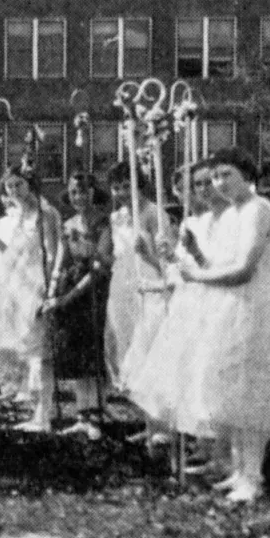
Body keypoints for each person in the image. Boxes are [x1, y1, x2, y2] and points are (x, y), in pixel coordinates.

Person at [173, 149, 270, 502]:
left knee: (252, 388)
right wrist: (196, 257)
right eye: (215, 177)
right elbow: (220, 262)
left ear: (247, 175)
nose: (219, 182)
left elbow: (243, 268)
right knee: (231, 386)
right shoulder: (231, 214)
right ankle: (238, 469)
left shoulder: (259, 209)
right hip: (229, 303)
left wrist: (197, 275)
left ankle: (253, 476)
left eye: (226, 174)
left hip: (255, 301)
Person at [126, 160, 229, 467]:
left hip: (209, 304)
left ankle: (214, 447)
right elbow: (177, 273)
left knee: (207, 375)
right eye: (187, 189)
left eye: (200, 186)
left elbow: (221, 270)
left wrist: (194, 253)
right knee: (184, 375)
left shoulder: (220, 223)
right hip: (185, 305)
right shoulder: (186, 225)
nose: (193, 194)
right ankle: (192, 437)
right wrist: (160, 260)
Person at [0, 165, 62, 431]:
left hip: (36, 283)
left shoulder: (45, 213)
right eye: (9, 186)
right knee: (22, 348)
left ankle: (43, 415)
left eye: (19, 184)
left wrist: (51, 288)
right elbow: (10, 255)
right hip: (15, 284)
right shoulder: (14, 216)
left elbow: (52, 253)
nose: (14, 191)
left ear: (29, 184)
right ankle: (34, 409)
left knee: (39, 350)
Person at [43, 172, 114, 435]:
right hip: (71, 286)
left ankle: (96, 414)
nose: (79, 197)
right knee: (77, 354)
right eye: (73, 193)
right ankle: (83, 414)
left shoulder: (103, 223)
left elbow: (101, 265)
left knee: (93, 352)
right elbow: (60, 262)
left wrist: (68, 297)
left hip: (93, 290)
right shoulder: (68, 223)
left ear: (93, 193)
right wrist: (52, 294)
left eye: (83, 192)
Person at [104, 163, 167, 388]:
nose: (121, 193)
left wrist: (147, 254)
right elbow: (117, 253)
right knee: (122, 329)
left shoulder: (153, 213)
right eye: (116, 188)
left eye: (126, 186)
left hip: (148, 276)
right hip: (122, 278)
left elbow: (166, 261)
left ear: (139, 185)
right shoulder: (117, 217)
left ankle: (148, 382)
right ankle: (129, 380)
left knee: (146, 330)